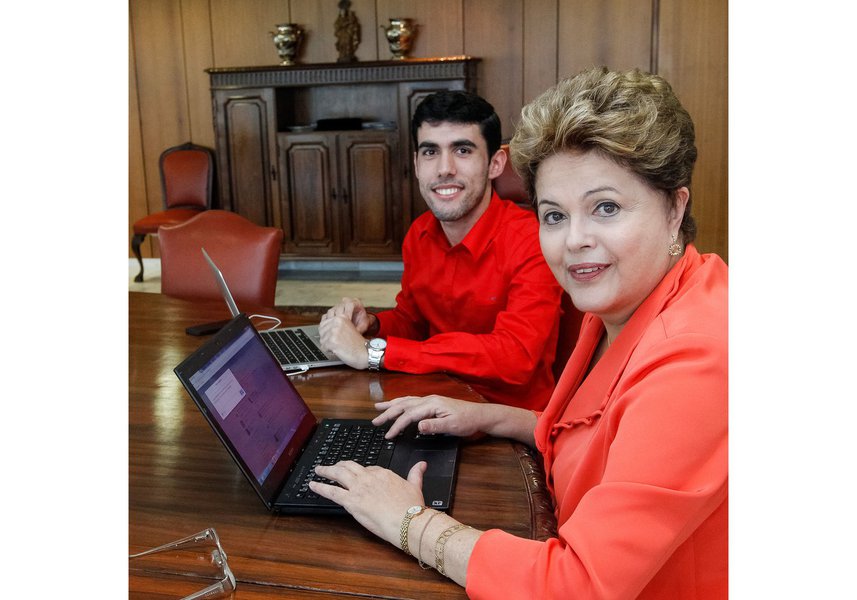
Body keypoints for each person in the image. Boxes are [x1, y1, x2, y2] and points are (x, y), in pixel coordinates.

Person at [309, 67, 728, 598]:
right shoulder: (622, 300)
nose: (574, 240)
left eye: (606, 208)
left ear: (675, 209)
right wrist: (490, 415)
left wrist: (409, 522)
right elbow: (598, 437)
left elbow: (575, 586)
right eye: (554, 215)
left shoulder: (699, 355)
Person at [318, 90, 563, 411]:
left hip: (508, 423)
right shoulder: (419, 233)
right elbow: (414, 322)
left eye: (462, 150)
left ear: (495, 164)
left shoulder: (532, 238)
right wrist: (373, 326)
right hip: (429, 399)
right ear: (417, 164)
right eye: (430, 152)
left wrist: (376, 353)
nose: (444, 168)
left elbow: (516, 356)